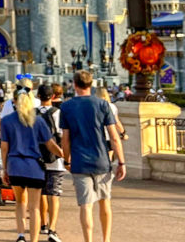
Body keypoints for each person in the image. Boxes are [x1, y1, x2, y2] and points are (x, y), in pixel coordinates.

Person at [60, 71, 126, 242]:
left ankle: (88, 240)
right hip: (102, 160)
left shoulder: (66, 107)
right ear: (91, 85)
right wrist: (121, 162)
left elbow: (65, 139)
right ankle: (106, 239)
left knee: (86, 205)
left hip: (80, 162)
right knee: (105, 202)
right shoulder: (103, 105)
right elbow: (114, 137)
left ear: (74, 85)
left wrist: (66, 160)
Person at [0, 90, 63, 242]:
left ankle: (21, 235)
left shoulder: (7, 121)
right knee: (34, 207)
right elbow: (50, 144)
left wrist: (5, 168)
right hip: (34, 166)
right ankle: (34, 239)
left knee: (20, 202)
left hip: (15, 165)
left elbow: (4, 147)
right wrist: (64, 156)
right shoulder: (38, 121)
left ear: (14, 101)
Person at [37, 84, 65, 242]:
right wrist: (65, 155)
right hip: (55, 160)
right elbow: (63, 136)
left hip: (36, 160)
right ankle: (52, 229)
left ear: (38, 96)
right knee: (54, 194)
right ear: (53, 97)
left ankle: (42, 223)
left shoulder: (32, 113)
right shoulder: (57, 113)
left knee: (40, 193)